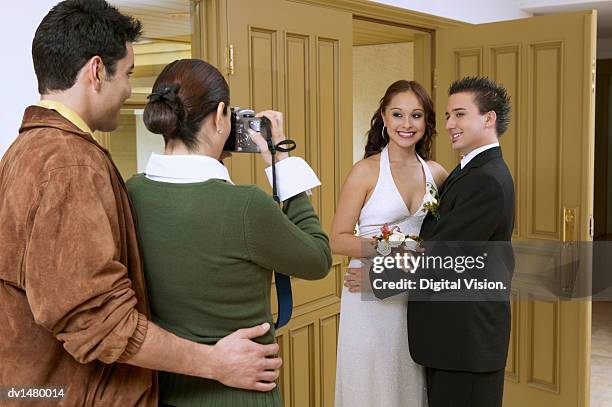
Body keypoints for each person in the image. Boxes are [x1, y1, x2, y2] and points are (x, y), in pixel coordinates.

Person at [0, 1, 282, 405]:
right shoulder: (68, 163)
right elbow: (100, 323)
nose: (131, 90)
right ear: (97, 71)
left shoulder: (24, 150)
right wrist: (215, 363)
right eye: (128, 74)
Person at [126, 58, 332, 407]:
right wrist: (279, 160)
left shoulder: (132, 190)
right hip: (240, 394)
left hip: (163, 391)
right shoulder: (245, 205)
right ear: (221, 115)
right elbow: (318, 259)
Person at [331, 80, 448, 407]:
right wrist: (392, 249)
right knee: (370, 385)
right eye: (397, 114)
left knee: (410, 382)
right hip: (368, 297)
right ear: (383, 117)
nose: (406, 125)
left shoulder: (437, 174)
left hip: (413, 295)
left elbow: (448, 237)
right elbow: (337, 240)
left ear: (427, 122)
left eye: (416, 115)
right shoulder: (365, 172)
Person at [407, 77, 515, 407]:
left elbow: (440, 254)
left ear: (488, 118)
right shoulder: (470, 169)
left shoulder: (486, 180)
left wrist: (376, 268)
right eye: (448, 116)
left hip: (465, 343)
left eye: (459, 114)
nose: (450, 124)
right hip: (454, 339)